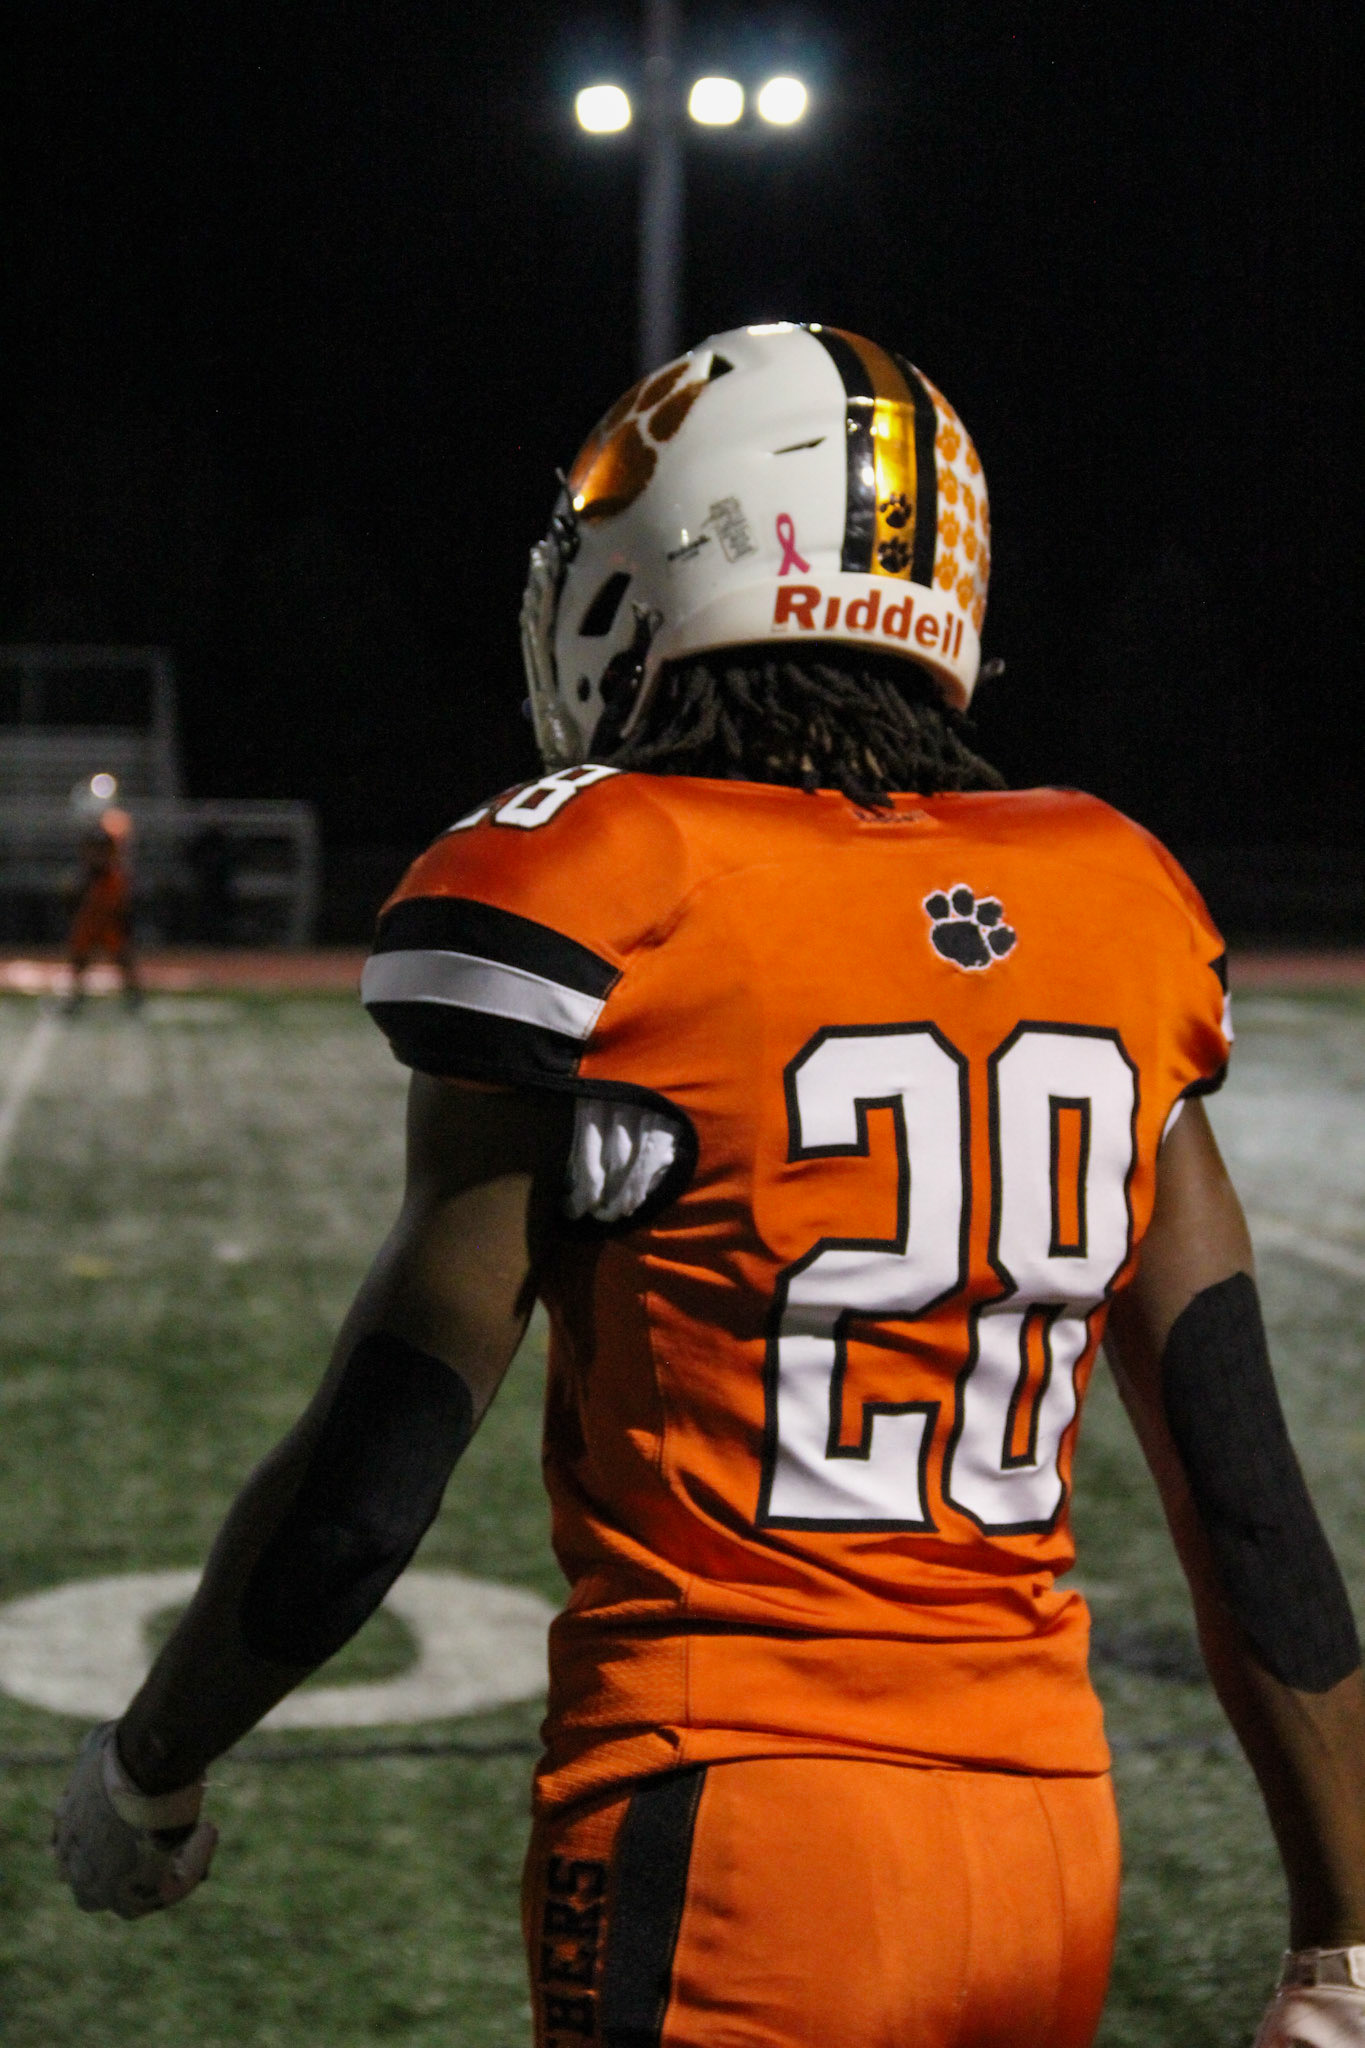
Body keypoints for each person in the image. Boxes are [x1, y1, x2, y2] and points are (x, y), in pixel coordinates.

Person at [54, 324, 1365, 2048]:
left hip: (726, 1819)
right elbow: (1247, 1496)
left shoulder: (608, 882)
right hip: (1047, 1840)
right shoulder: (1115, 900)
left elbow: (375, 1478)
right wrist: (1342, 1939)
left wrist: (153, 1763)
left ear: (670, 563)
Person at [65, 807, 141, 1011]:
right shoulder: (85, 876)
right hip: (90, 921)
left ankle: (134, 997)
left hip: (109, 921)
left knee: (123, 958)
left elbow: (122, 905)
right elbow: (74, 901)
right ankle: (75, 997)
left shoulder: (114, 877)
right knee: (79, 959)